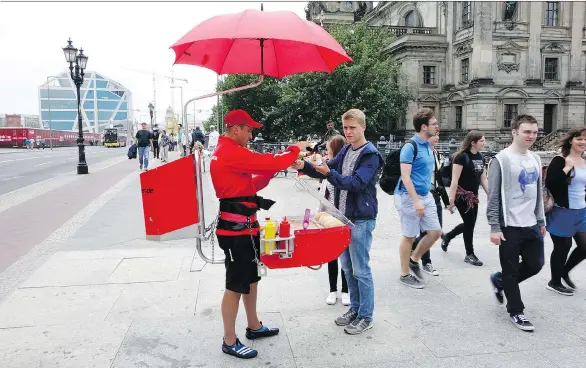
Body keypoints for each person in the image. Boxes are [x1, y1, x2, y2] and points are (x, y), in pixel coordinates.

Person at [210, 109, 310, 359]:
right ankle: (229, 340)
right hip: (235, 231)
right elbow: (270, 163)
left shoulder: (231, 153)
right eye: (249, 129)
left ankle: (253, 326)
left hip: (246, 227)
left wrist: (273, 166)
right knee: (235, 285)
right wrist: (293, 150)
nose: (251, 134)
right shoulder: (229, 152)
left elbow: (254, 184)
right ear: (236, 129)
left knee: (251, 279)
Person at [294, 108, 384, 335]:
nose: (349, 131)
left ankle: (366, 315)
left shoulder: (370, 154)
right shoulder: (346, 149)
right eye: (345, 128)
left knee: (361, 270)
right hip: (341, 218)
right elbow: (327, 169)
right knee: (347, 267)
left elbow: (355, 183)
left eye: (353, 127)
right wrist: (303, 166)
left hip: (360, 219)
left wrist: (328, 172)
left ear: (363, 127)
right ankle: (355, 309)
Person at [487, 114, 546, 332]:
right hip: (509, 225)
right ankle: (516, 311)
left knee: (536, 264)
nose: (531, 136)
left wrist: (541, 220)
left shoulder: (536, 159)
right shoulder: (500, 160)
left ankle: (499, 281)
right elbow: (493, 196)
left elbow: (538, 193)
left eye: (534, 132)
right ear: (514, 132)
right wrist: (494, 227)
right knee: (511, 271)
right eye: (527, 132)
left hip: (531, 223)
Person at [395, 108, 441, 289]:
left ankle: (414, 259)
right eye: (434, 124)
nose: (437, 127)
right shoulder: (410, 147)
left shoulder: (428, 146)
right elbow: (406, 177)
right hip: (408, 196)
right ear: (423, 127)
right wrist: (416, 201)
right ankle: (404, 274)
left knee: (435, 232)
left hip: (425, 194)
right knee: (409, 235)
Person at [545, 127, 586, 295]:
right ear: (571, 141)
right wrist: (566, 168)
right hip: (562, 211)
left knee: (585, 246)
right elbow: (551, 183)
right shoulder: (560, 160)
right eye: (579, 139)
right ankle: (554, 282)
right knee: (563, 247)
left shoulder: (584, 161)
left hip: (581, 210)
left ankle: (564, 271)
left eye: (585, 140)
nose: (583, 142)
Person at [441, 130, 488, 266]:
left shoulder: (480, 157)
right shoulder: (461, 157)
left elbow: (483, 178)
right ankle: (469, 254)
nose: (484, 143)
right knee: (469, 224)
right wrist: (451, 200)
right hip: (462, 196)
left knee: (470, 224)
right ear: (473, 142)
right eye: (482, 141)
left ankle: (448, 236)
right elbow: (454, 180)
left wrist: (490, 195)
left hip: (473, 197)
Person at [318, 134, 350, 306]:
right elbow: (322, 198)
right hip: (330, 220)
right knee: (332, 256)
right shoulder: (326, 172)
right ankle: (332, 290)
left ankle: (346, 290)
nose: (326, 152)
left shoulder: (343, 173)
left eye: (328, 149)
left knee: (345, 257)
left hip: (344, 219)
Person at [411, 133, 448, 276]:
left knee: (436, 230)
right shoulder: (419, 152)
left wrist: (446, 200)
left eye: (438, 135)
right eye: (434, 135)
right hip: (421, 195)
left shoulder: (437, 154)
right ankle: (426, 262)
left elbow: (439, 178)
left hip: (435, 195)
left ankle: (412, 246)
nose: (437, 138)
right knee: (426, 231)